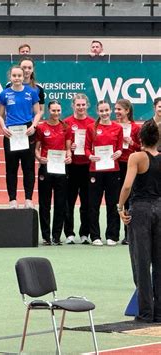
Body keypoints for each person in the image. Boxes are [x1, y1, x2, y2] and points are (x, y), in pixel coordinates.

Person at [118, 120, 161, 323]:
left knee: (141, 261)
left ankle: (145, 312)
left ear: (139, 139)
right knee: (159, 261)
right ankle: (159, 311)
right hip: (160, 208)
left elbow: (127, 186)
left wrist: (120, 206)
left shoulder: (136, 157)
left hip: (141, 209)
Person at [0, 65, 41, 209]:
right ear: (10, 77)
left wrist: (33, 126)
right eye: (14, 76)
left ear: (24, 77)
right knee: (11, 168)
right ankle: (12, 200)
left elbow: (38, 112)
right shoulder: (4, 94)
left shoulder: (32, 92)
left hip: (27, 131)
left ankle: (28, 199)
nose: (17, 78)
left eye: (19, 76)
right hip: (11, 132)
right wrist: (3, 127)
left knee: (28, 167)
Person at [85, 101, 123, 246]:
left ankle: (112, 235)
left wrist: (119, 152)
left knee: (112, 203)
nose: (104, 113)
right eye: (101, 111)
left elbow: (119, 148)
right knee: (94, 204)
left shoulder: (117, 128)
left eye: (106, 110)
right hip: (95, 170)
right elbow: (87, 147)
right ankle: (95, 236)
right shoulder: (91, 128)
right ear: (97, 112)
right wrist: (90, 156)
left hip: (113, 170)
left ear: (111, 110)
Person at [35, 101, 71, 245]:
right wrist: (39, 158)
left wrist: (69, 156)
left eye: (58, 110)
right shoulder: (41, 127)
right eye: (53, 110)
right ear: (48, 111)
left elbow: (68, 147)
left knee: (60, 203)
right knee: (44, 203)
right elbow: (37, 148)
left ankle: (56, 236)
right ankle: (45, 236)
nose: (56, 113)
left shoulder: (65, 127)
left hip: (61, 168)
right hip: (46, 167)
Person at [63, 94, 95, 244]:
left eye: (83, 104)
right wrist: (69, 147)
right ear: (73, 106)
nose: (81, 107)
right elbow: (59, 144)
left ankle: (85, 234)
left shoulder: (93, 123)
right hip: (71, 166)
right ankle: (69, 233)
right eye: (78, 105)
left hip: (88, 167)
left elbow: (98, 144)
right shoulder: (67, 123)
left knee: (86, 202)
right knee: (69, 201)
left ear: (87, 105)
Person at [115, 99, 141, 244]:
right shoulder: (112, 126)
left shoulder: (136, 128)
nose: (117, 112)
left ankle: (129, 235)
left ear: (127, 111)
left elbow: (142, 148)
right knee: (116, 198)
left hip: (130, 165)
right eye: (116, 109)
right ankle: (113, 234)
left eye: (119, 109)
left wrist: (132, 142)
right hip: (115, 165)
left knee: (129, 199)